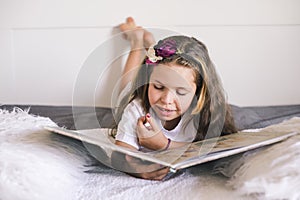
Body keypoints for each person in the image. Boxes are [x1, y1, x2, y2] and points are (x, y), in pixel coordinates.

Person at [111, 17, 237, 180]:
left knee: (161, 72)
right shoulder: (137, 109)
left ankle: (150, 46)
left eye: (181, 92)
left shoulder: (205, 112)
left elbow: (218, 147)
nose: (167, 100)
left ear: (199, 92)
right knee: (128, 85)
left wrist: (164, 144)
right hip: (137, 89)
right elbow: (121, 155)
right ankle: (137, 42)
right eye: (158, 87)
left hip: (161, 74)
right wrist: (138, 170)